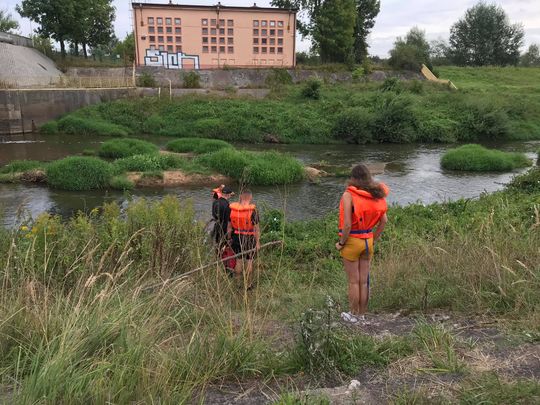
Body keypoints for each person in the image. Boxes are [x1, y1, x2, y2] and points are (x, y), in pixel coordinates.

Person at [336, 164, 389, 324]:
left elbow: (347, 225)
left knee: (353, 281)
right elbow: (384, 221)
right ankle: (362, 315)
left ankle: (353, 315)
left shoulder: (349, 195)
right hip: (367, 241)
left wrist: (341, 243)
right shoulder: (376, 194)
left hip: (352, 241)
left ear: (353, 178)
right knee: (364, 282)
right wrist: (373, 239)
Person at [227, 189, 260, 288]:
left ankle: (237, 284)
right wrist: (257, 242)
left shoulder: (232, 209)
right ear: (251, 197)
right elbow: (256, 229)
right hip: (249, 238)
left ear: (241, 196)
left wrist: (229, 238)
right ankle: (248, 285)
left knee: (239, 260)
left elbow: (229, 227)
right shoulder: (253, 211)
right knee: (249, 261)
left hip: (236, 237)